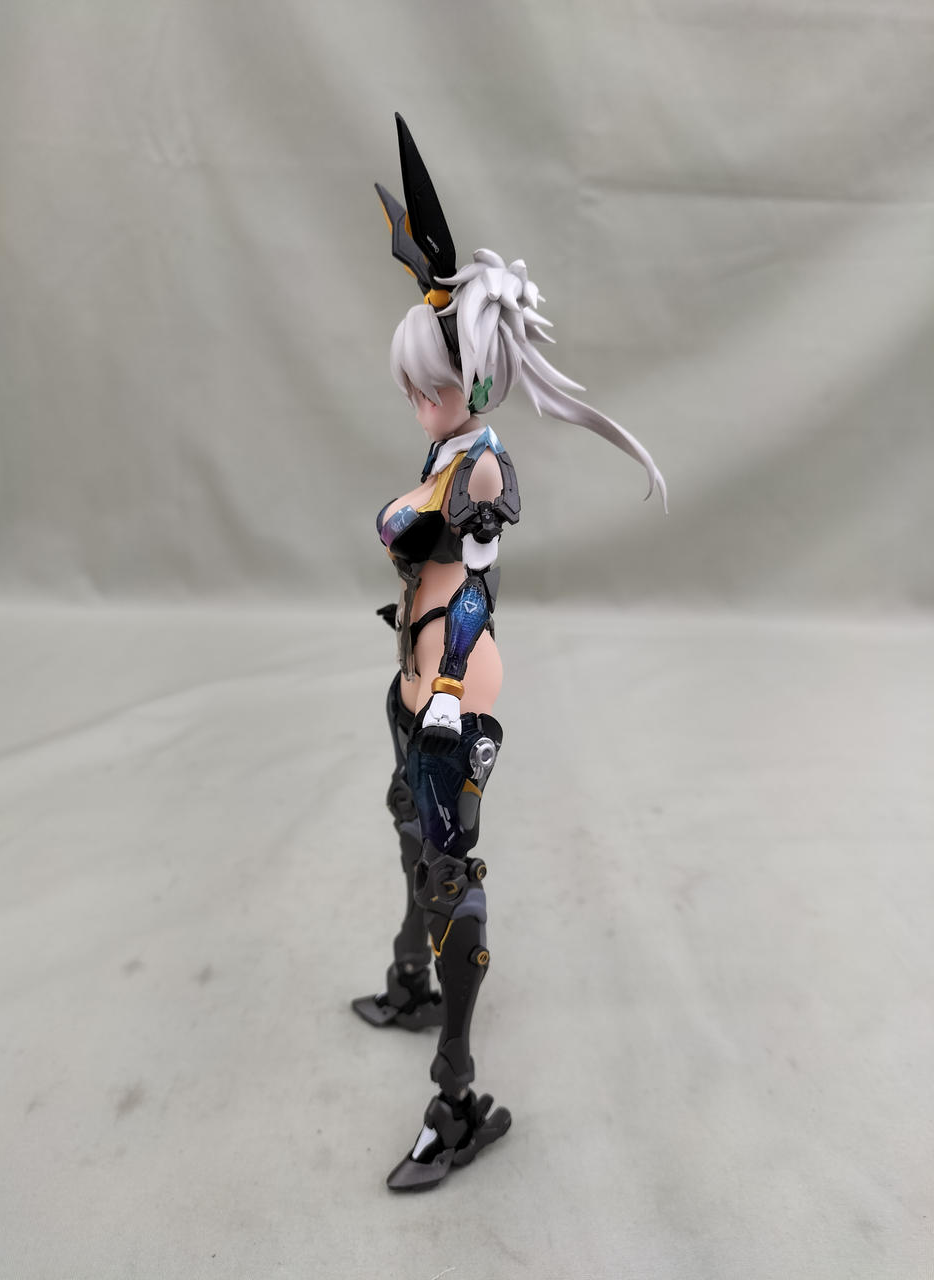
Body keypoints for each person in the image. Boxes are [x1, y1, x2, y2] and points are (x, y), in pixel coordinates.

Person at [352, 115, 666, 1192]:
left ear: (475, 384)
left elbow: (474, 589)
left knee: (453, 872)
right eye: (416, 387)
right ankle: (412, 978)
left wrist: (446, 686)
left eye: (432, 387)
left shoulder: (478, 471)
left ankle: (457, 1100)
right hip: (415, 673)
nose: (419, 402)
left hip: (454, 683)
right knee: (411, 826)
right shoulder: (446, 450)